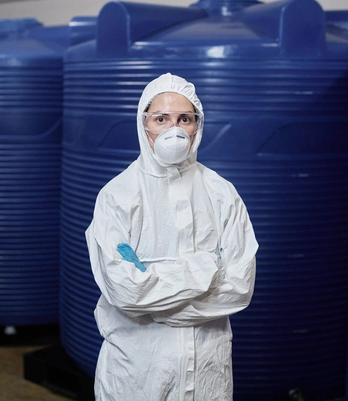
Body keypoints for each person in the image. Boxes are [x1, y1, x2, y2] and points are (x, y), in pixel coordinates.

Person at [85, 73, 258, 401]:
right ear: (144, 124)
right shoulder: (118, 195)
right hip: (137, 371)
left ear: (198, 126)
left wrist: (155, 303)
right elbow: (126, 291)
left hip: (209, 371)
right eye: (161, 119)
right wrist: (206, 269)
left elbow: (238, 288)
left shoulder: (221, 193)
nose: (174, 130)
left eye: (185, 119)